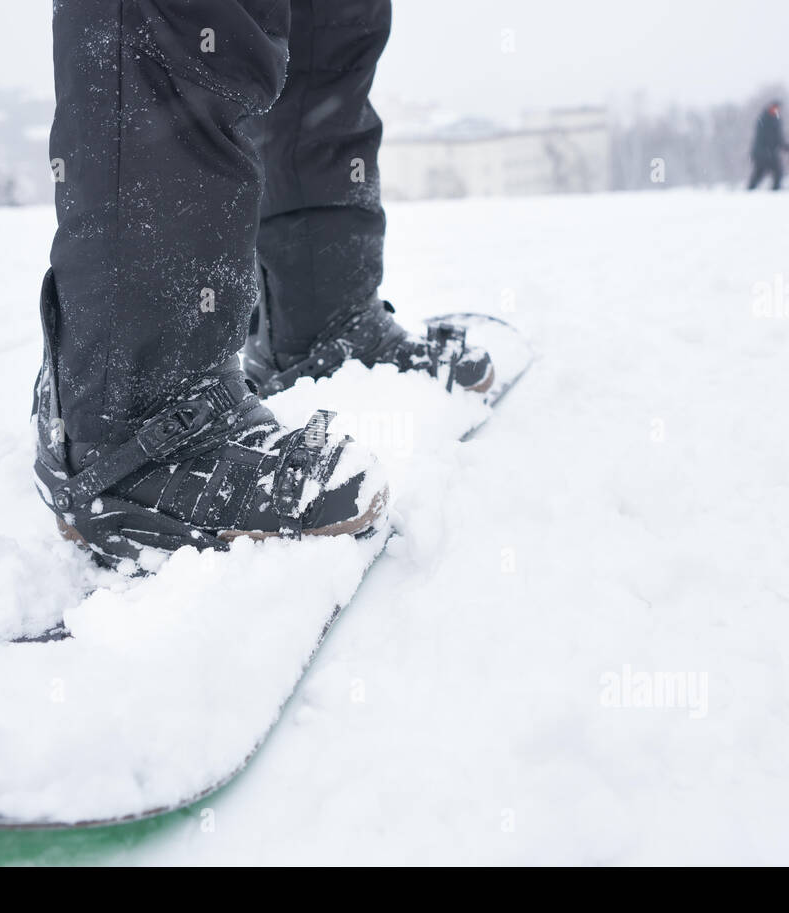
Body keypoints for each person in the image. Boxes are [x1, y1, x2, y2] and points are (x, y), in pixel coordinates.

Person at [32, 0, 494, 567]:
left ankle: (321, 315)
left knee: (329, 31)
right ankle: (138, 412)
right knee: (183, 21)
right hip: (133, 404)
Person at [747, 100, 789, 191]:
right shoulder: (764, 119)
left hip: (770, 152)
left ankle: (774, 192)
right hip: (763, 153)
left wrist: (785, 146)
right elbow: (765, 137)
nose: (776, 110)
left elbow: (777, 137)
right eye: (775, 108)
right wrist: (767, 150)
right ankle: (750, 192)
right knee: (761, 173)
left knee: (775, 173)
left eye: (778, 108)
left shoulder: (776, 120)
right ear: (770, 107)